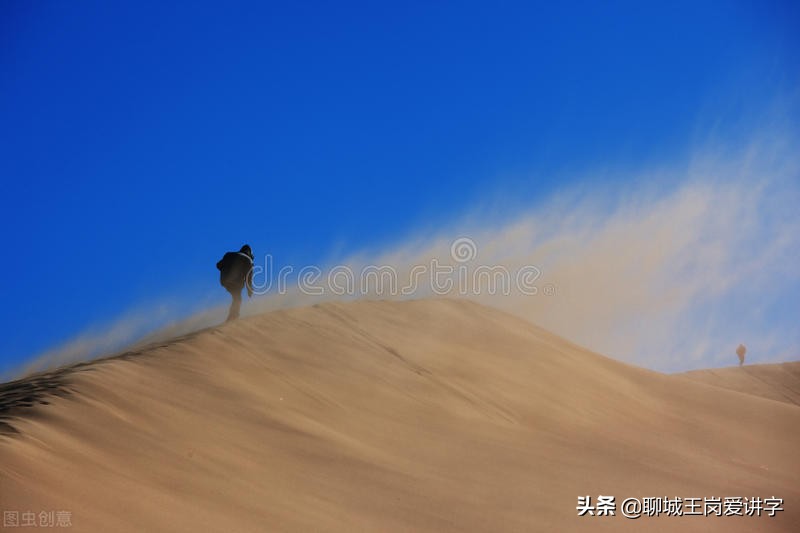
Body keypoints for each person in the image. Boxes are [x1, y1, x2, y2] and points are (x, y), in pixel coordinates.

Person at [216, 244, 254, 322]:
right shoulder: (248, 260)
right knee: (237, 299)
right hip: (236, 282)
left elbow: (218, 265)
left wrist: (227, 269)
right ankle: (233, 317)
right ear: (250, 253)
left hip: (224, 280)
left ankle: (233, 316)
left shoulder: (228, 254)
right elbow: (248, 278)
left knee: (236, 297)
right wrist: (249, 290)